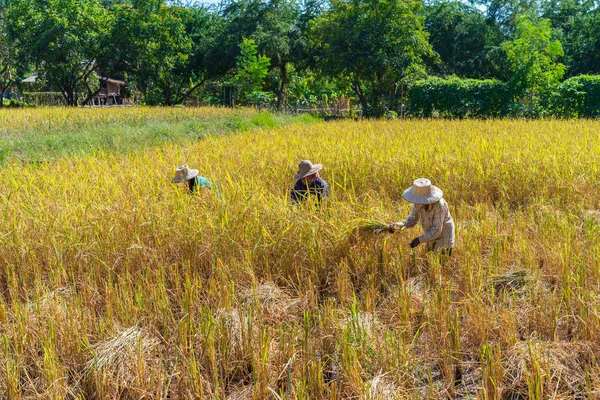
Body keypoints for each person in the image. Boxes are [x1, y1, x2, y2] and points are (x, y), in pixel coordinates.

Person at [388, 178, 455, 256]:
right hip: (430, 235)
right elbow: (412, 220)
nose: (420, 202)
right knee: (430, 259)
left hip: (444, 236)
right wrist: (397, 225)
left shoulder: (439, 205)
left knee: (440, 262)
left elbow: (437, 231)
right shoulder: (418, 203)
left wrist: (419, 240)